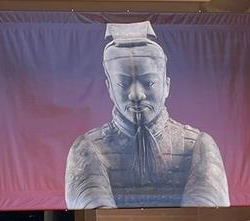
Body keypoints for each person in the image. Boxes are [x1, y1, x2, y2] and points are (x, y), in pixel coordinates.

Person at [64, 21, 229, 209]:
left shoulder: (199, 146)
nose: (135, 95)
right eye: (123, 84)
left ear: (166, 85)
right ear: (109, 87)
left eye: (148, 82)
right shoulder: (88, 148)